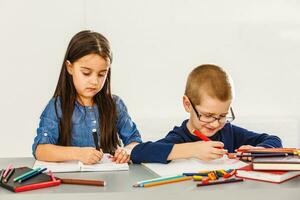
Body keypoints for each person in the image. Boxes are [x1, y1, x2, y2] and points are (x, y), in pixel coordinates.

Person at [131, 64, 282, 164]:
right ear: (187, 104)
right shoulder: (180, 137)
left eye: (222, 115)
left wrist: (260, 151)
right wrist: (194, 149)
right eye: (208, 116)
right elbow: (138, 152)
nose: (216, 123)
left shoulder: (228, 132)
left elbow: (274, 140)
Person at [32, 30, 141, 164]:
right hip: (70, 180)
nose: (94, 81)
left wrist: (127, 150)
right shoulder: (57, 106)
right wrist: (78, 153)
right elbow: (40, 150)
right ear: (70, 67)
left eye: (101, 74)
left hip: (110, 179)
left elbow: (135, 140)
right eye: (86, 73)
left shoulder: (115, 104)